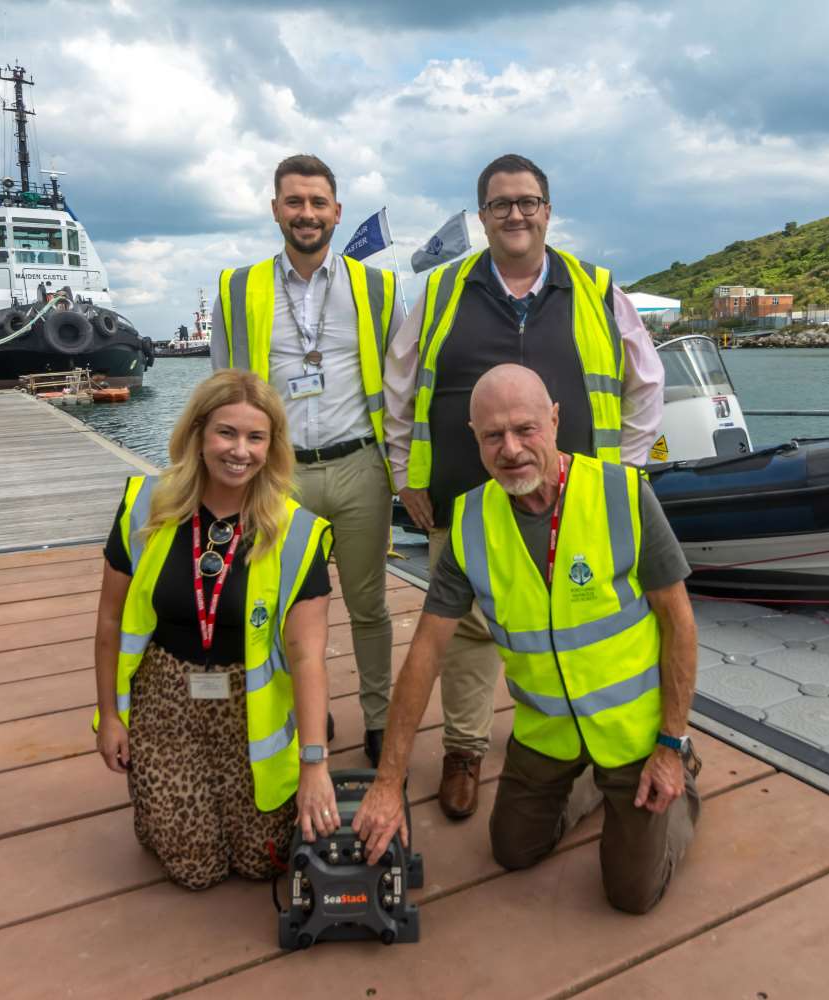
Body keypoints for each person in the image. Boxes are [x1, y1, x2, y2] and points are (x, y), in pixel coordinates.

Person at [356, 364, 699, 915]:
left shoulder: (623, 495)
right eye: (493, 435)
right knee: (513, 850)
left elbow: (679, 625)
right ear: (475, 438)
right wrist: (388, 782)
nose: (510, 449)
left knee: (632, 895)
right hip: (547, 734)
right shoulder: (468, 523)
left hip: (636, 733)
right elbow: (425, 653)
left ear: (556, 420)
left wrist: (671, 743)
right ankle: (593, 784)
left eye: (526, 429)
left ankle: (683, 783)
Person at [383, 153, 666, 818]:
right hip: (464, 493)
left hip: (581, 502)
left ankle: (594, 746)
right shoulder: (439, 292)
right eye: (501, 203)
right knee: (468, 633)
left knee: (586, 620)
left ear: (547, 210)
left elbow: (646, 383)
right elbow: (398, 388)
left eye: (528, 201)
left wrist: (625, 472)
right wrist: (405, 472)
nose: (515, 214)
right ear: (482, 216)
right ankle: (464, 750)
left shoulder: (595, 289)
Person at [93, 369, 339, 890]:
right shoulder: (146, 506)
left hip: (248, 705)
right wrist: (111, 718)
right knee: (194, 869)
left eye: (256, 437)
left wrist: (314, 763)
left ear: (272, 447)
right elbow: (110, 620)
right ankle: (159, 802)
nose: (240, 451)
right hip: (167, 701)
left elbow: (308, 655)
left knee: (261, 863)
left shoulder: (296, 532)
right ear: (199, 433)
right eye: (227, 433)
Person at [212, 153, 401, 768]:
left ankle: (378, 718)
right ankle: (305, 711)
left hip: (358, 467)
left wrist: (404, 470)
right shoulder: (238, 289)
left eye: (318, 203)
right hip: (279, 475)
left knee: (369, 604)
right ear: (275, 209)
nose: (307, 214)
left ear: (337, 212)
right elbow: (222, 387)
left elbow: (400, 387)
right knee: (282, 606)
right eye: (294, 202)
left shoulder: (377, 288)